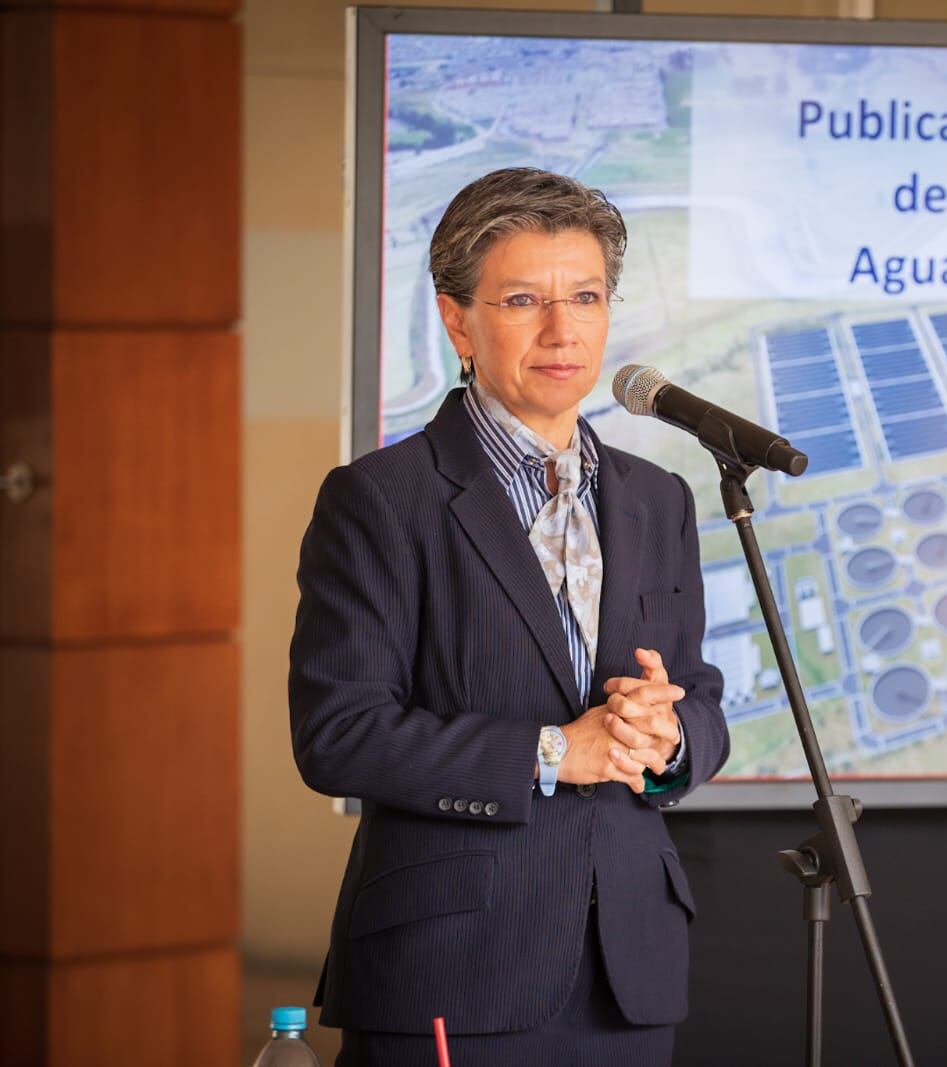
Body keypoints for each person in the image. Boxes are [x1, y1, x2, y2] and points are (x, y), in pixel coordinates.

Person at [288, 167, 729, 1065]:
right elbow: (336, 732)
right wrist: (556, 751)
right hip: (450, 968)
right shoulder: (381, 499)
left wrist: (666, 738)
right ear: (458, 320)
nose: (564, 330)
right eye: (525, 299)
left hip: (629, 972)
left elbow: (705, 696)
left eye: (587, 297)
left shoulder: (660, 498)